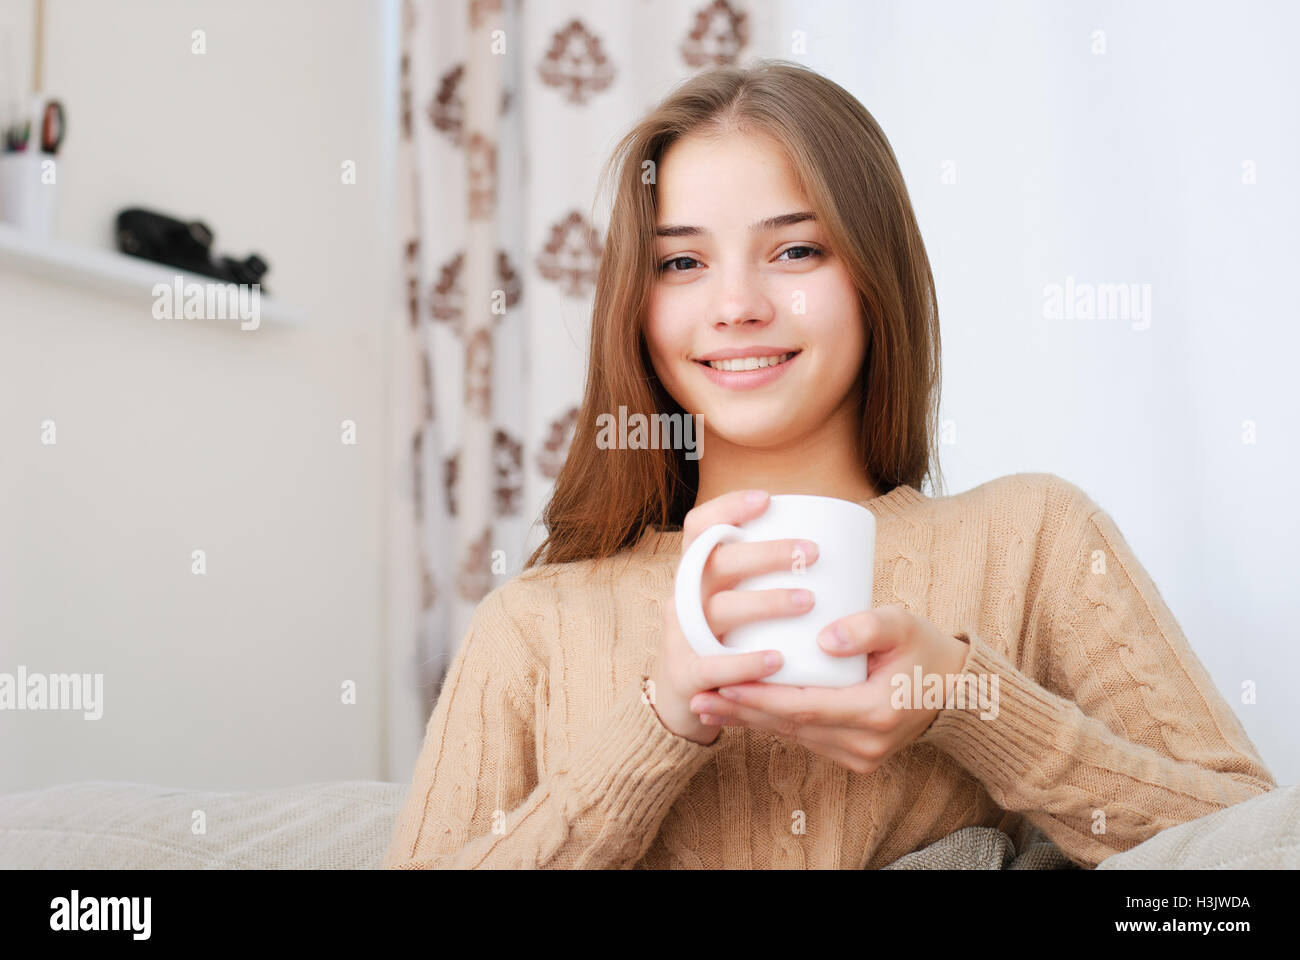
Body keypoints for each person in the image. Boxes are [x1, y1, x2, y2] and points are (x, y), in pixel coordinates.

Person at [384, 59, 1274, 869]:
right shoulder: (535, 622)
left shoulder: (1032, 539)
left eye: (796, 250)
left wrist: (965, 700)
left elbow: (1255, 849)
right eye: (683, 262)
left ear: (872, 273)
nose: (736, 305)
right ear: (635, 304)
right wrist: (657, 724)